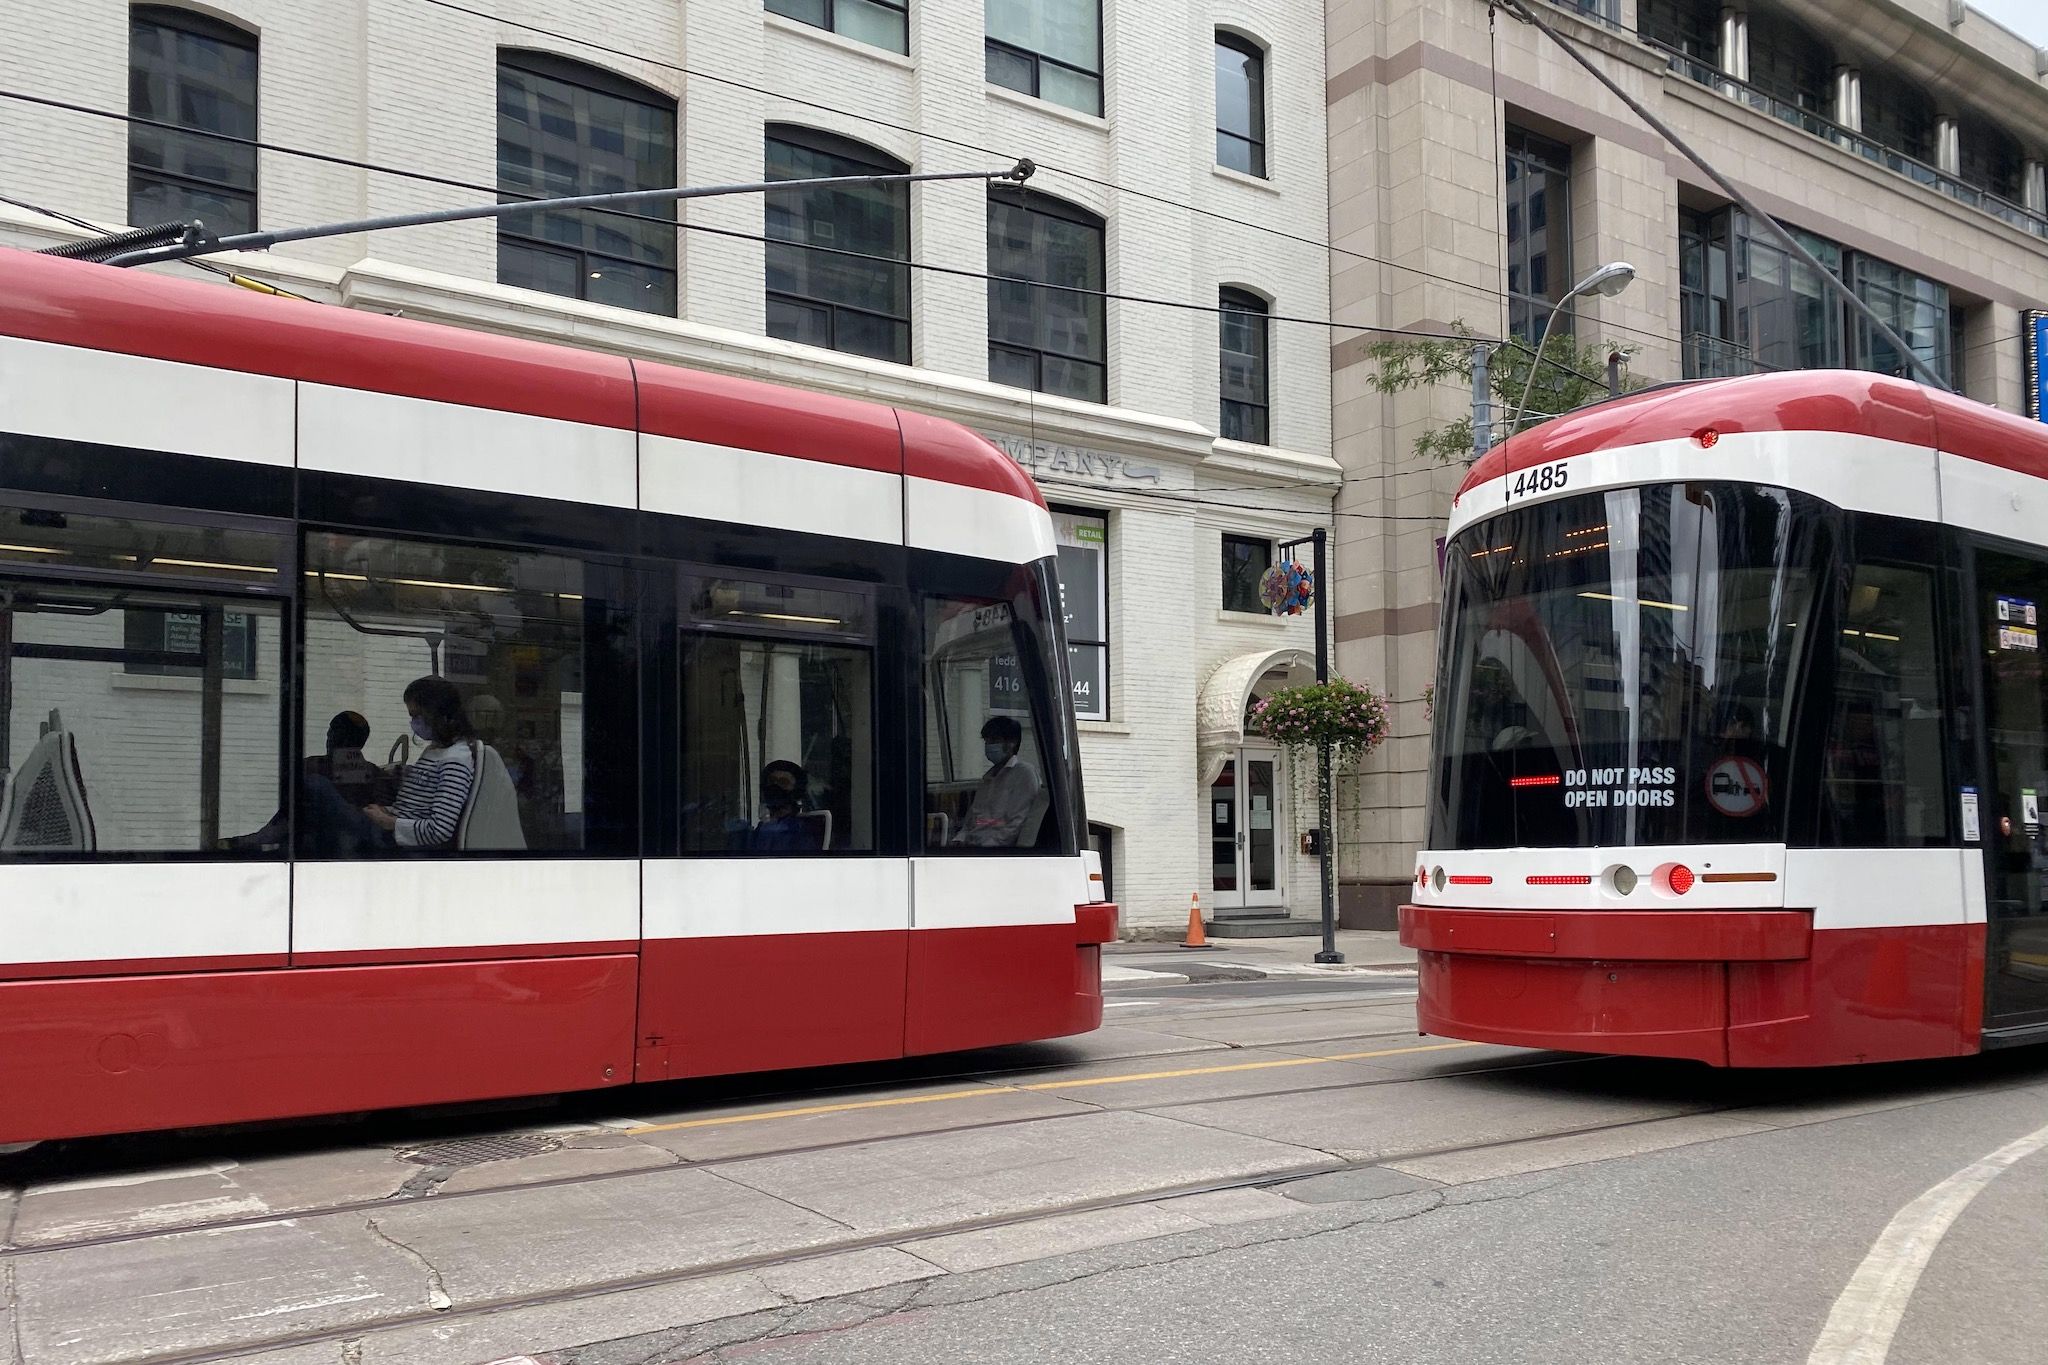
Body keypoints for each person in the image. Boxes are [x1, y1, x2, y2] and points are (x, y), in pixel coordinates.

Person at [300, 677, 477, 855]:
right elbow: (414, 808)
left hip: (391, 841)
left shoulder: (455, 760)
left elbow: (439, 830)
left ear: (436, 714)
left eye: (416, 715)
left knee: (316, 785)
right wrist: (385, 811)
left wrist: (388, 822)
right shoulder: (435, 751)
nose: (413, 723)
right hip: (386, 829)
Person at [222, 711, 389, 852]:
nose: (329, 737)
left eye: (334, 732)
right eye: (330, 732)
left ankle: (259, 839)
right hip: (310, 838)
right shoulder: (310, 765)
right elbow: (290, 810)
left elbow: (377, 818)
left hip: (349, 842)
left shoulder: (372, 774)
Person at [955, 716, 1042, 848]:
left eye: (995, 741)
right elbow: (972, 820)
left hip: (995, 850)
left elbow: (1016, 823)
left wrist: (989, 847)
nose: (989, 746)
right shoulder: (987, 779)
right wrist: (960, 839)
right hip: (972, 846)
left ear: (1012, 743)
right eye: (987, 741)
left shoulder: (1024, 774)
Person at [749, 760, 824, 852]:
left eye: (783, 782)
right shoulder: (761, 829)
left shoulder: (801, 831)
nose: (775, 786)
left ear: (796, 790)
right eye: (772, 781)